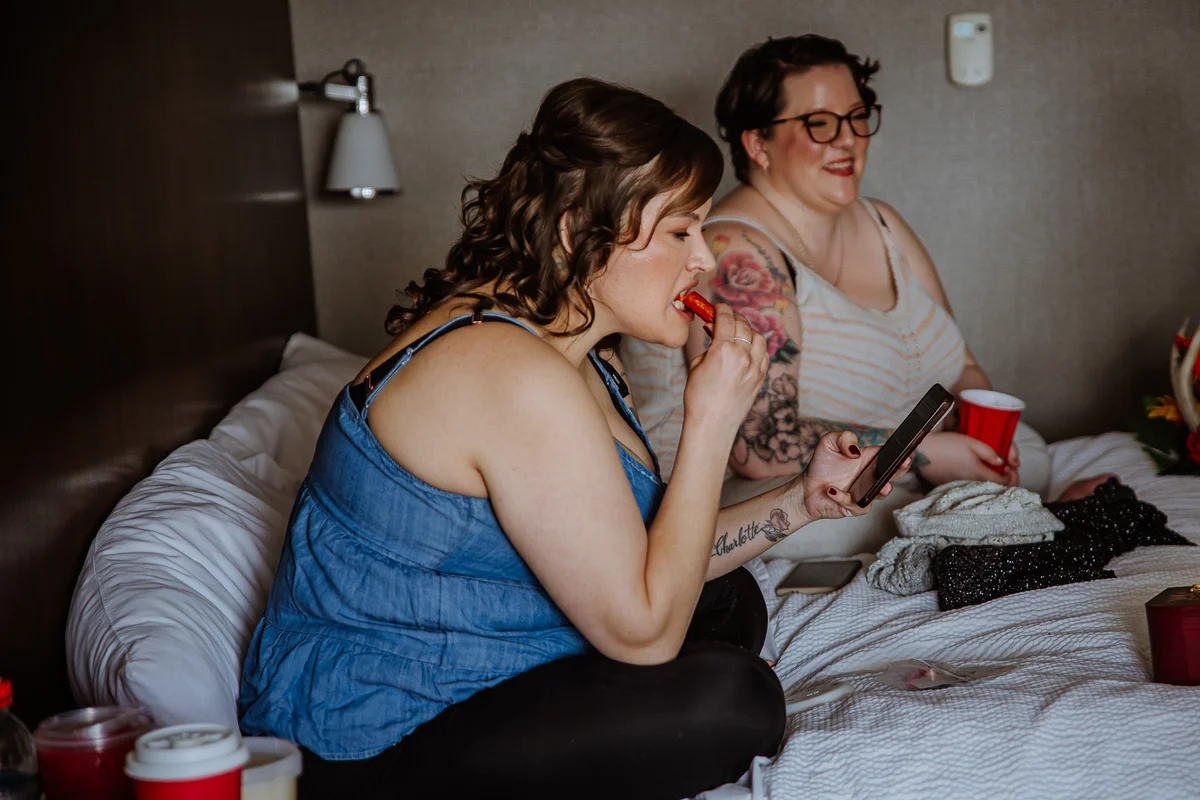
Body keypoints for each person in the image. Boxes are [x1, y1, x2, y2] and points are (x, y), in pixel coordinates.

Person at [238, 77, 905, 800]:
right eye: (680, 232)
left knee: (732, 600)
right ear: (574, 235)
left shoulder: (569, 345)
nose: (704, 261)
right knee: (732, 699)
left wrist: (802, 502)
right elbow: (645, 633)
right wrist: (711, 422)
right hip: (372, 739)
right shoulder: (509, 373)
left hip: (483, 655)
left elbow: (646, 550)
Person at [619, 35, 1108, 536]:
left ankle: (997, 510)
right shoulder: (734, 252)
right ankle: (1016, 518)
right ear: (758, 143)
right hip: (774, 492)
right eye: (819, 123)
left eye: (857, 116)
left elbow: (961, 366)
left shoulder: (883, 223)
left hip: (903, 466)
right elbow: (765, 448)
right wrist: (922, 453)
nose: (847, 139)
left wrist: (988, 438)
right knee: (849, 512)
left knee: (1031, 450)